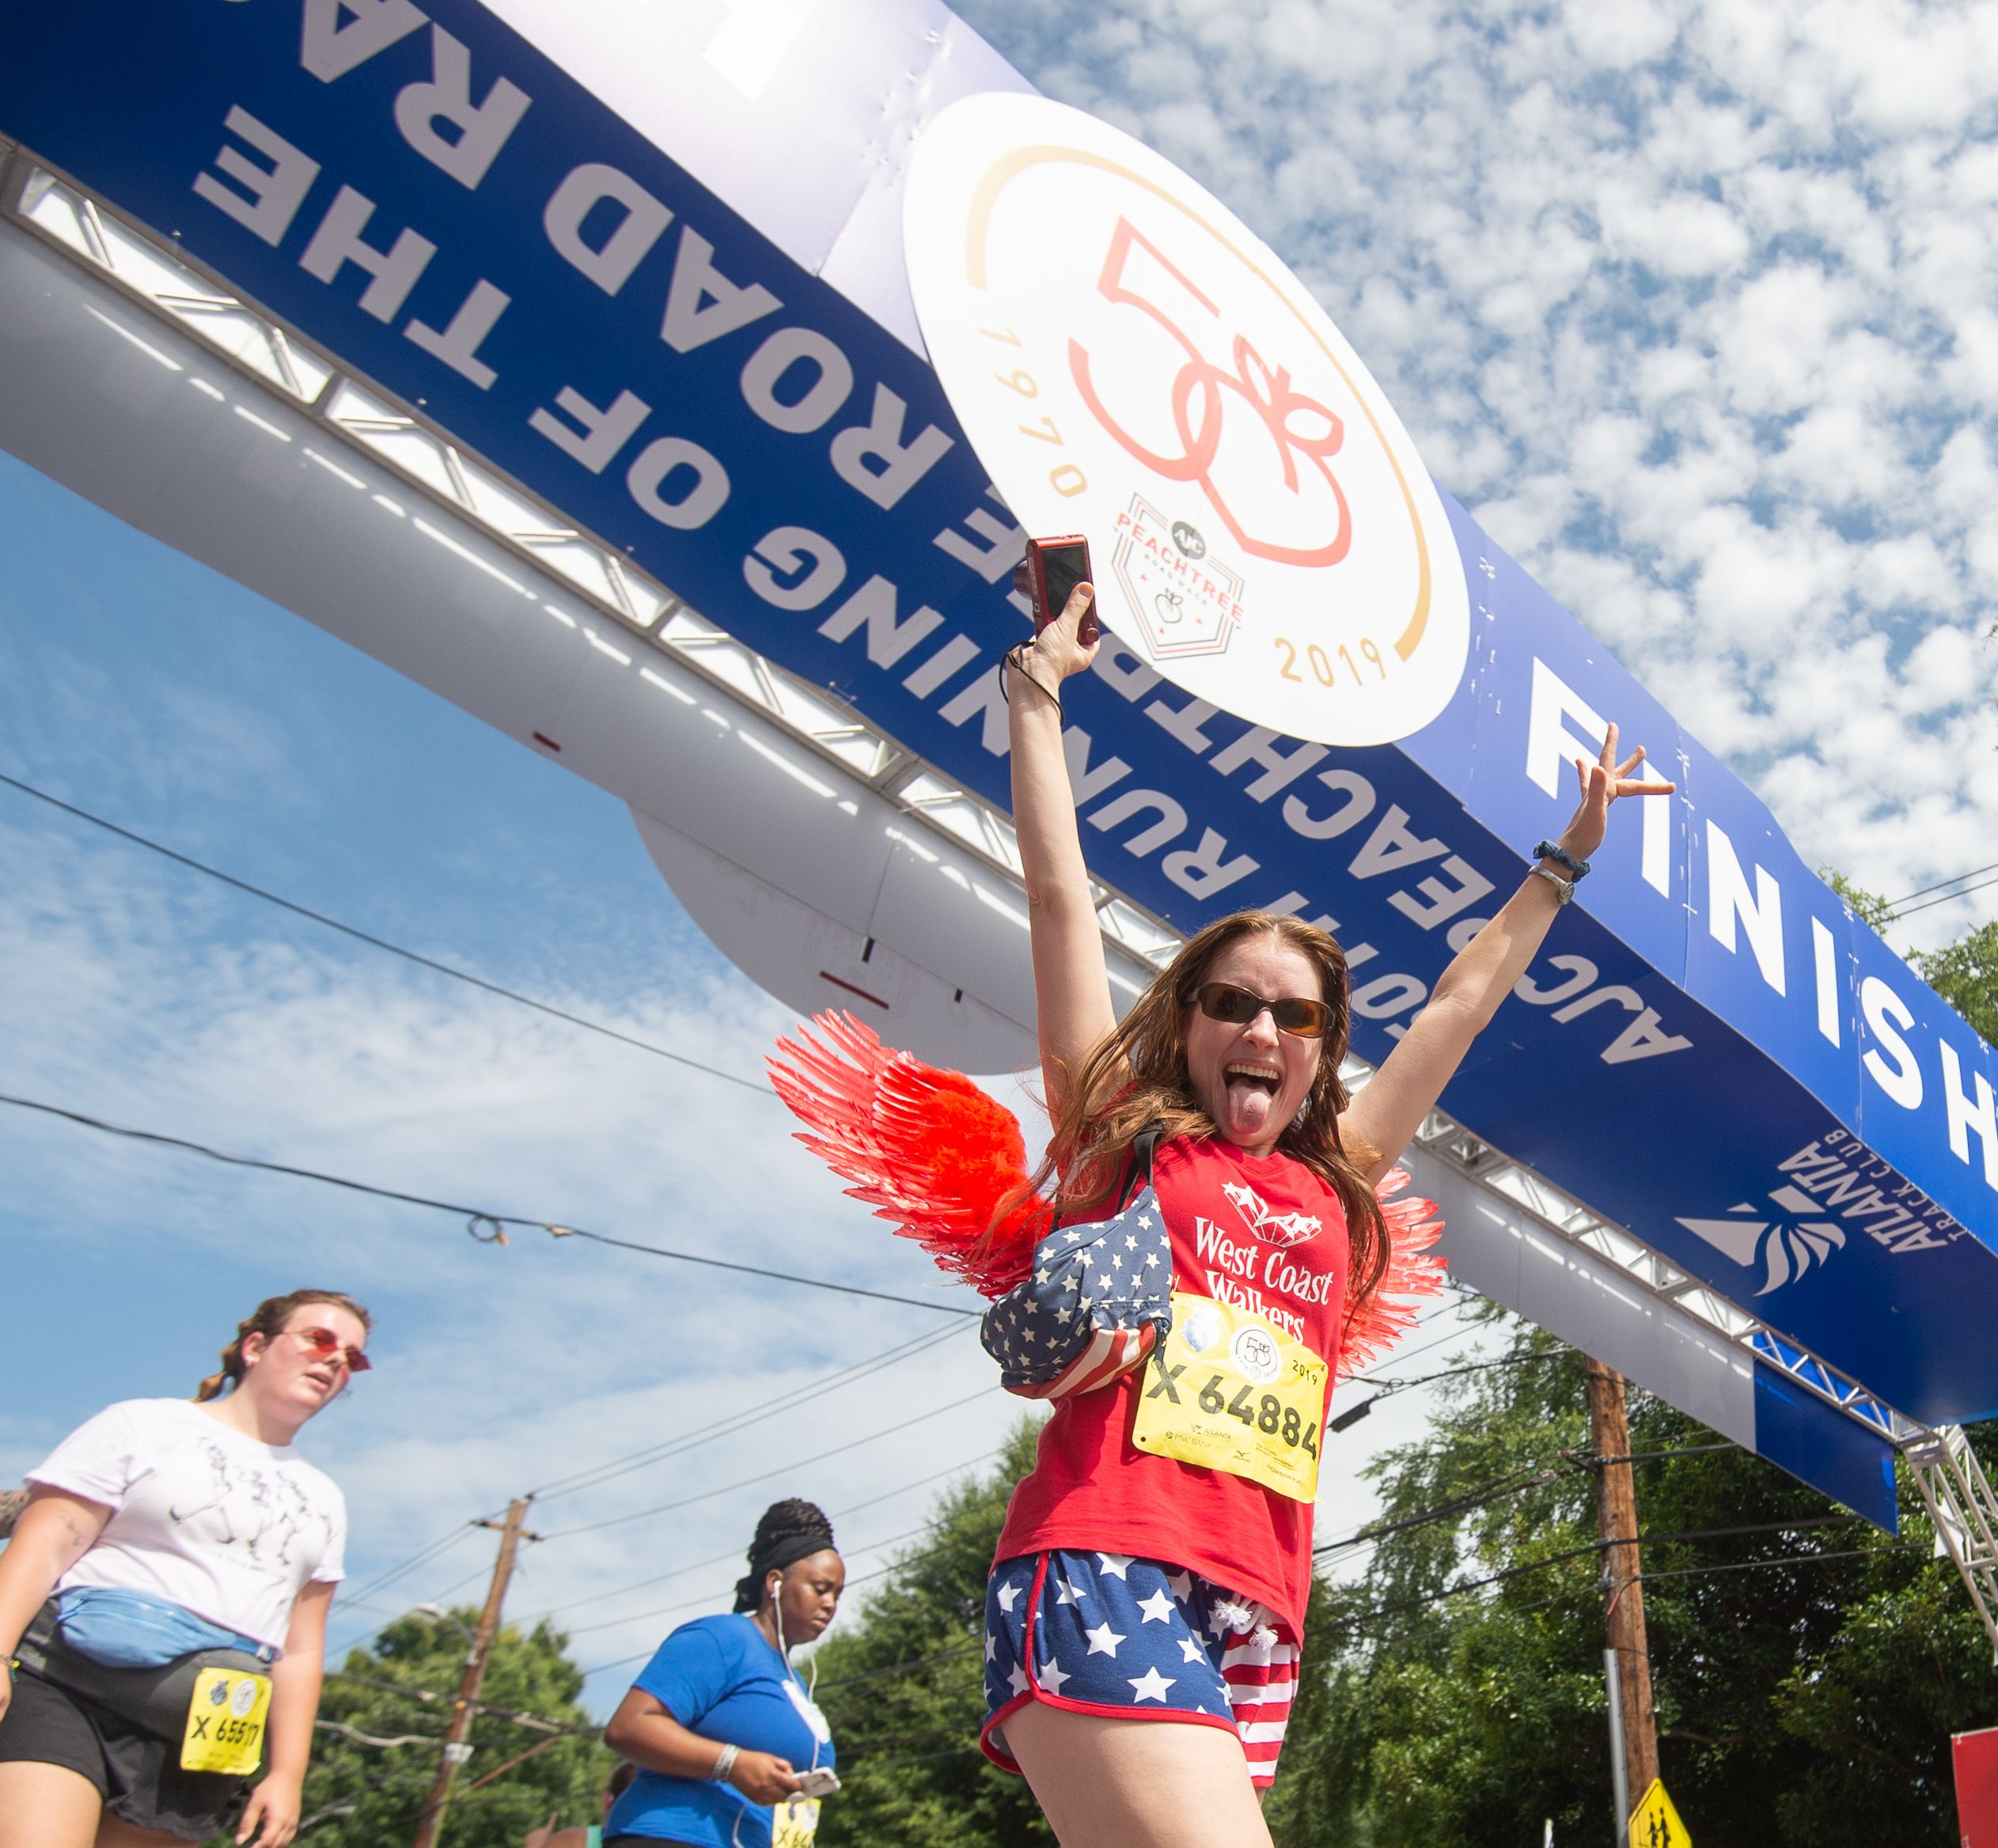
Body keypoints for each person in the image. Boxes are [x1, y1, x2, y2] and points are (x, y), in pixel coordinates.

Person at [772, 581, 1670, 1847]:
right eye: (1233, 1004)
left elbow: (1459, 1008)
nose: (1261, 1030)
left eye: (1293, 1016)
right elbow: (1057, 901)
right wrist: (1034, 694)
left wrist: (1563, 859)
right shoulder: (1114, 1134)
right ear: (1187, 1026)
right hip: (1103, 1564)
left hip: (1254, 1603)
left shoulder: (1336, 1180)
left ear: (1318, 1051)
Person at [0, 1289, 367, 1848]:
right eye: (320, 1339)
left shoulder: (325, 1499)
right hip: (67, 1692)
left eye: (353, 1355)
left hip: (204, 1745)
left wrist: (287, 1776)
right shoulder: (144, 1425)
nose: (337, 1358)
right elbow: (47, 1541)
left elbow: (301, 1649)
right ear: (255, 1346)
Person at [601, 1500, 842, 1848]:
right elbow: (628, 1726)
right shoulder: (723, 1638)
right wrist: (732, 1763)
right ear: (775, 1583)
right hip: (673, 1837)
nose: (831, 1603)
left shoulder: (795, 1683)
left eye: (838, 1594)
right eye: (820, 1589)